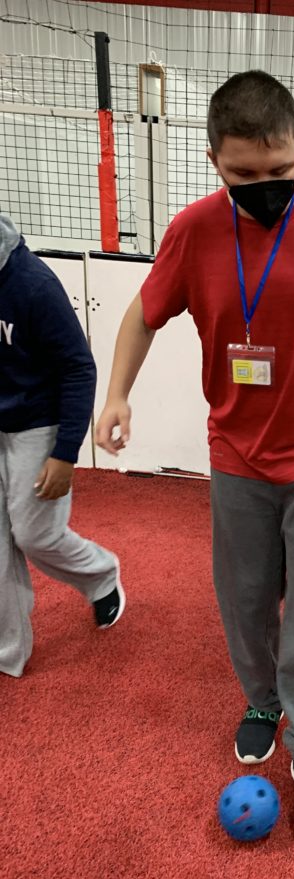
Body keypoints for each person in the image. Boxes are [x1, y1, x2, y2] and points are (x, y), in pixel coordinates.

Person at [95, 71, 294, 829]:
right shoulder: (194, 231)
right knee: (244, 602)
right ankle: (263, 701)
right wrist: (117, 394)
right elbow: (142, 317)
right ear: (213, 160)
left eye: (281, 172)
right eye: (244, 175)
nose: (265, 186)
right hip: (238, 452)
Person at [0, 215, 124, 678]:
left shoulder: (32, 285)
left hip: (38, 423)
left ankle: (100, 575)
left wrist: (65, 452)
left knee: (34, 535)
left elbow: (78, 368)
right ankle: (8, 653)